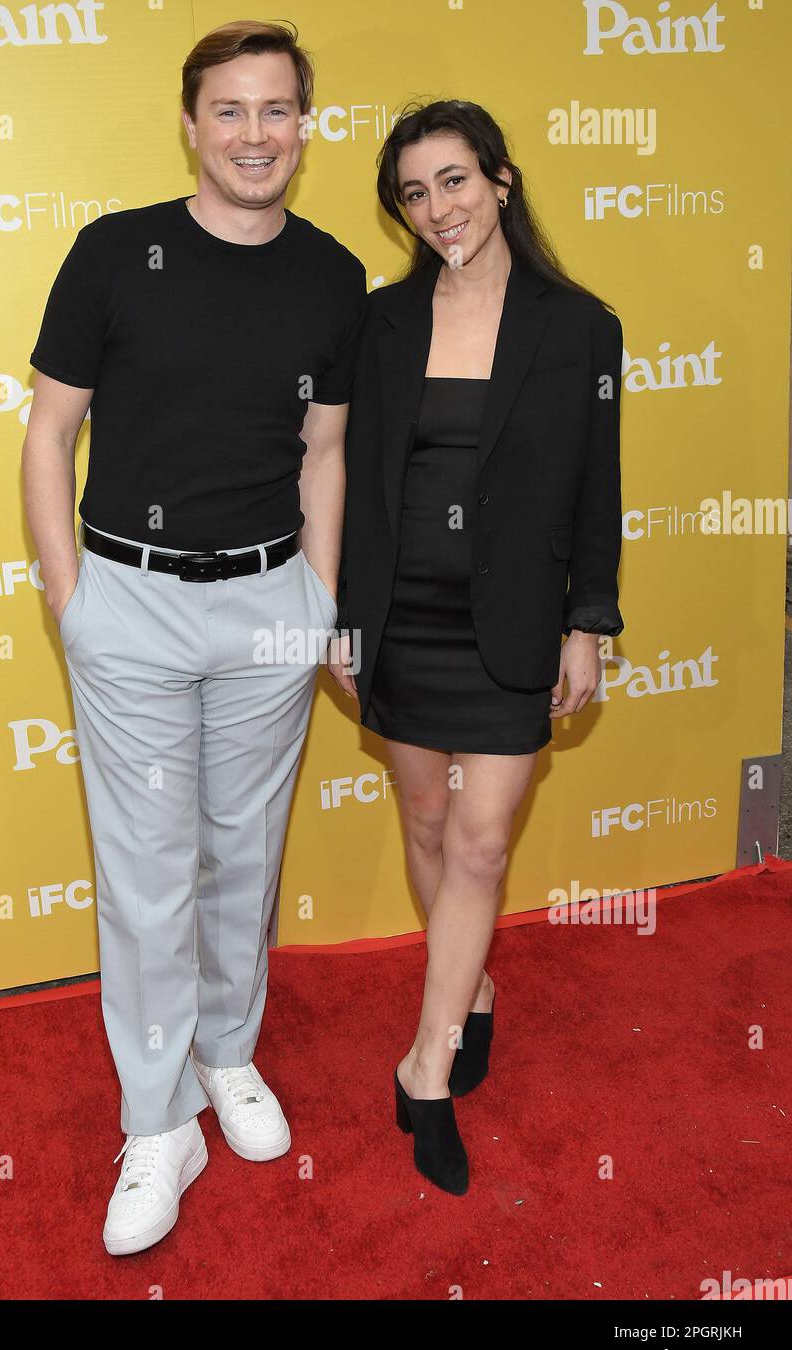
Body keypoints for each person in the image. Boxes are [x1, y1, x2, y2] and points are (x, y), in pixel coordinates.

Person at [22, 19, 366, 1254]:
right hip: (133, 604)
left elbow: (324, 451)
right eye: (230, 110)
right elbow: (50, 436)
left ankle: (228, 1055)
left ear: (306, 127)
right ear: (189, 121)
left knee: (241, 851)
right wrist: (76, 600)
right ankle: (156, 1118)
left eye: (278, 111)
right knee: (148, 871)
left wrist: (318, 599)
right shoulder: (115, 253)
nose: (255, 134)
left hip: (272, 602)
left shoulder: (333, 276)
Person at [327, 100, 624, 1196]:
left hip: (512, 626)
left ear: (499, 182)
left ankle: (428, 1061)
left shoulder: (580, 324)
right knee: (426, 818)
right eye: (413, 191)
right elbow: (348, 482)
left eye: (453, 181)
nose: (436, 208)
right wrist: (341, 616)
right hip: (401, 613)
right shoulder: (380, 323)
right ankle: (475, 987)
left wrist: (587, 620)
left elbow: (598, 484)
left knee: (484, 843)